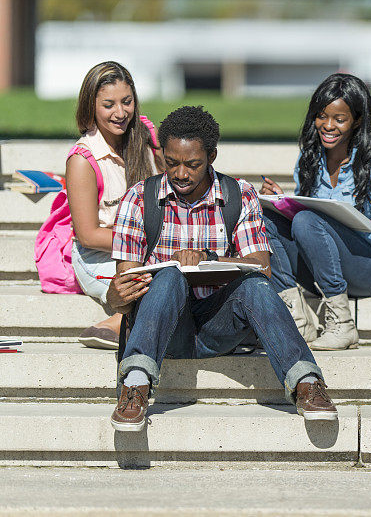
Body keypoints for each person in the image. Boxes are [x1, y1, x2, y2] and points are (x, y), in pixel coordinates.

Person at [106, 105, 337, 432]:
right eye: (172, 163)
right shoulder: (139, 199)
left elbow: (262, 266)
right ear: (162, 155)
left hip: (221, 328)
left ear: (212, 156)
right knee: (169, 275)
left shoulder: (238, 195)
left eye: (192, 164)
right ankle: (135, 385)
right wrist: (114, 297)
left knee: (255, 285)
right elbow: (127, 291)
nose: (181, 173)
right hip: (165, 330)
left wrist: (208, 259)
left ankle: (307, 383)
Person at [260, 73, 371, 350]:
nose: (328, 126)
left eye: (339, 119)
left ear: (357, 121)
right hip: (320, 268)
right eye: (321, 116)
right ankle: (298, 321)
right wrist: (281, 202)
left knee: (308, 220)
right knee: (267, 220)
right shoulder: (309, 157)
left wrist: (342, 224)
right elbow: (306, 224)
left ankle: (342, 325)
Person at [66, 61, 162, 349]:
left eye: (127, 102)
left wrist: (158, 147)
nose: (120, 113)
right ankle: (117, 323)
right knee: (156, 281)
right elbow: (88, 235)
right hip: (98, 257)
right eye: (109, 105)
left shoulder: (143, 142)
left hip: (145, 250)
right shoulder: (83, 159)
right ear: (91, 107)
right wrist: (146, 241)